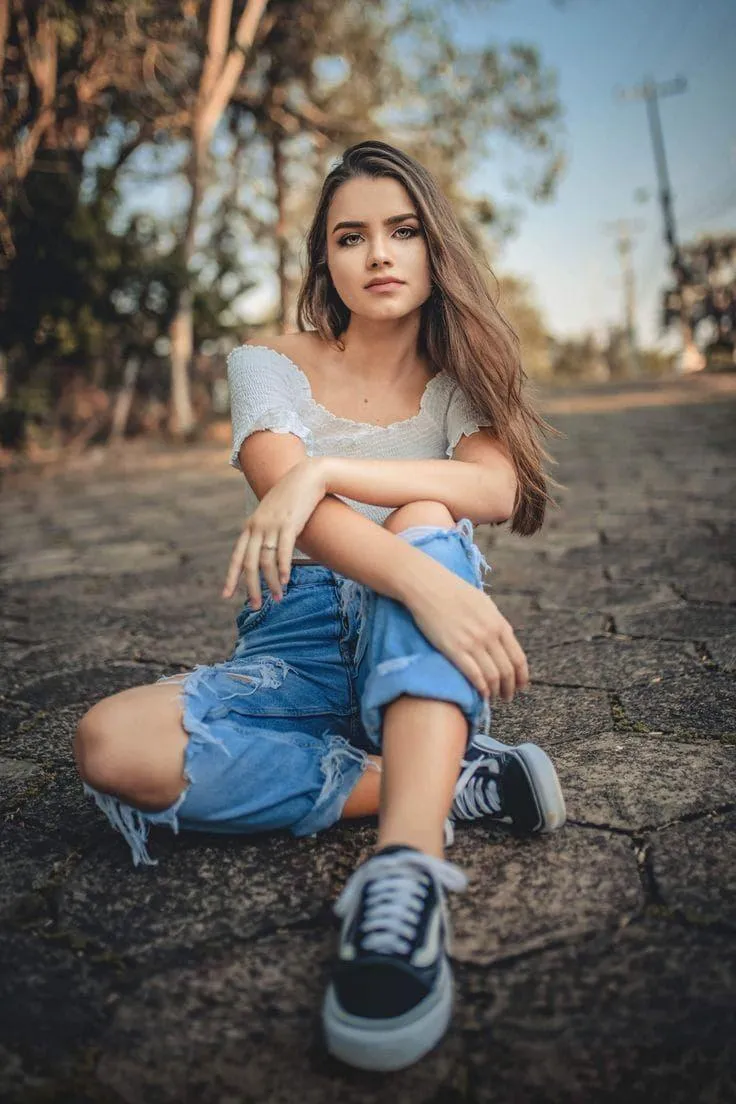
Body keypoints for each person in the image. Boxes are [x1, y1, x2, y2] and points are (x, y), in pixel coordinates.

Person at [73, 140, 566, 1072]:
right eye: (351, 237)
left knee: (429, 510)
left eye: (402, 231)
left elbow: (493, 492)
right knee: (110, 746)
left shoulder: (459, 380)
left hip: (423, 645)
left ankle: (407, 870)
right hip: (298, 645)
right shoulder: (265, 361)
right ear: (324, 259)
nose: (378, 254)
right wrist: (420, 574)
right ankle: (446, 777)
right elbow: (279, 485)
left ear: (434, 248)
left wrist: (332, 472)